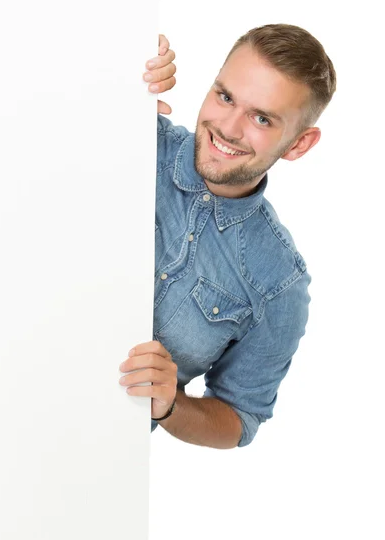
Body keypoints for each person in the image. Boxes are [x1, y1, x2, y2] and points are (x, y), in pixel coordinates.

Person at [119, 24, 337, 449]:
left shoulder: (279, 283)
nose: (229, 128)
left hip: (83, 473)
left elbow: (240, 416)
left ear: (299, 144)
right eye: (225, 97)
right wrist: (120, 58)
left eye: (261, 118)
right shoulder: (129, 134)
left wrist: (169, 404)